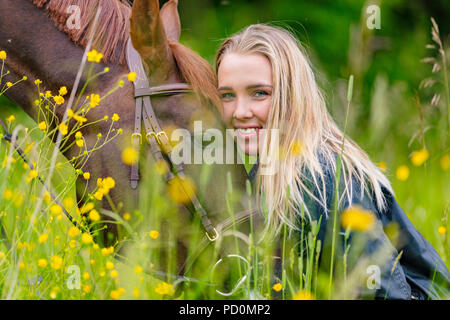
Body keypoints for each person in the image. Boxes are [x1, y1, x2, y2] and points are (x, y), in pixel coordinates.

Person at [214, 23, 450, 299]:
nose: (240, 112)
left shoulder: (323, 178)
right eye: (227, 95)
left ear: (293, 96)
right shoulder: (267, 172)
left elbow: (384, 294)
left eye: (260, 93)